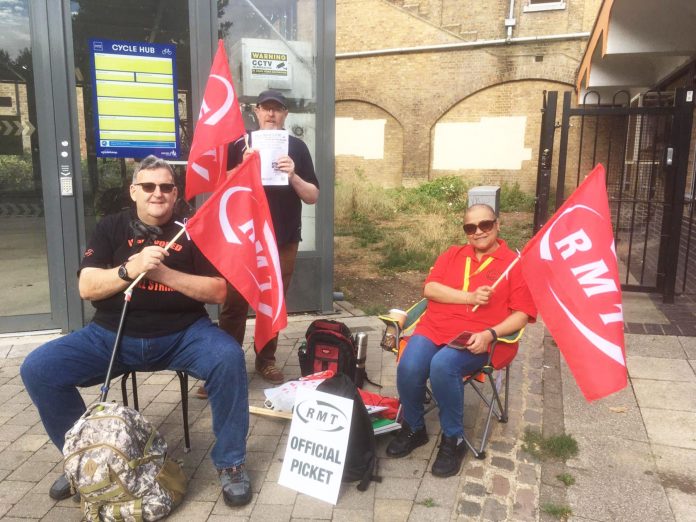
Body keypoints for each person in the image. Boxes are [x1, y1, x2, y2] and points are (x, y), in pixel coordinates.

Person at [20, 156, 252, 507]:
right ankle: (84, 461)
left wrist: (164, 274)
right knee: (38, 368)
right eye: (148, 186)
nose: (157, 193)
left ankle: (231, 462)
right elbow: (87, 286)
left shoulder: (193, 229)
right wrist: (130, 268)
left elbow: (219, 292)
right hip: (111, 334)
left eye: (166, 187)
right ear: (133, 191)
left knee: (228, 357)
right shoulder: (111, 227)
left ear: (175, 194)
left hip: (184, 334)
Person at [386, 203, 537, 477]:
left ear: (497, 224)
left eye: (485, 225)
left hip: (481, 338)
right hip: (435, 328)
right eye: (470, 227)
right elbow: (430, 289)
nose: (478, 232)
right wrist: (468, 297)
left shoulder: (514, 265)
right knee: (409, 365)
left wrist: (490, 334)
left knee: (443, 366)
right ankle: (415, 427)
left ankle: (453, 439)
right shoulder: (452, 254)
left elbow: (522, 315)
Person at [198, 89, 319, 395]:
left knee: (272, 301)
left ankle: (266, 359)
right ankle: (224, 363)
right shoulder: (240, 143)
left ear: (285, 114)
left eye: (277, 109)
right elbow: (217, 186)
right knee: (233, 304)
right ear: (255, 111)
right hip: (242, 240)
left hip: (282, 239)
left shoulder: (297, 148)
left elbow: (313, 196)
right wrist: (242, 167)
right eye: (266, 108)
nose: (271, 114)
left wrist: (293, 175)